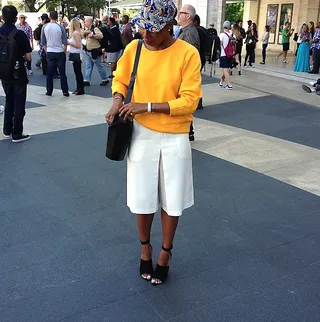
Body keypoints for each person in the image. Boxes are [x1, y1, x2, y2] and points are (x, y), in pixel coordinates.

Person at [105, 0, 201, 286]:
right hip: (141, 134)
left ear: (170, 26)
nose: (147, 34)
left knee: (172, 199)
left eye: (154, 29)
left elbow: (189, 100)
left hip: (174, 136)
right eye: (143, 27)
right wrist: (116, 102)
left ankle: (166, 252)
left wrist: (145, 106)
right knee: (142, 196)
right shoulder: (134, 49)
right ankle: (145, 246)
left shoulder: (187, 53)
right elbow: (121, 80)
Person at [1, 5, 32, 142]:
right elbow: (28, 57)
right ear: (15, 18)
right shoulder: (19, 34)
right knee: (19, 102)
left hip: (3, 72)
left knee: (8, 99)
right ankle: (17, 132)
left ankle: (6, 129)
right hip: (18, 72)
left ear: (2, 17)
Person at [178, 4, 199, 141]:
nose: (178, 15)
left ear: (188, 16)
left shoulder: (189, 32)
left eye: (181, 12)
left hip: (184, 75)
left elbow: (190, 55)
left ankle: (187, 130)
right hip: (180, 73)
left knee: (184, 101)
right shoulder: (185, 30)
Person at [41, 10, 69, 97]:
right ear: (57, 17)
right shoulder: (60, 27)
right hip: (59, 51)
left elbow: (43, 41)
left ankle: (49, 91)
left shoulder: (45, 27)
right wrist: (63, 51)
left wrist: (46, 50)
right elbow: (65, 41)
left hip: (50, 51)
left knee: (49, 72)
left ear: (49, 17)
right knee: (62, 72)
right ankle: (65, 91)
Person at [82, 17, 109, 86]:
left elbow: (101, 36)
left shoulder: (95, 29)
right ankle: (86, 80)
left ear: (89, 22)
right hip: (89, 51)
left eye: (85, 22)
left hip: (94, 51)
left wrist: (93, 35)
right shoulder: (88, 30)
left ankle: (105, 79)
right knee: (88, 66)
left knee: (99, 66)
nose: (84, 23)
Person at [68, 18, 84, 95]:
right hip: (76, 53)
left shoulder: (75, 33)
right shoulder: (77, 33)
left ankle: (80, 88)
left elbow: (78, 45)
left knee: (78, 72)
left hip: (76, 54)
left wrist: (70, 43)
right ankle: (79, 88)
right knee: (77, 72)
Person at [218, 21, 233, 89]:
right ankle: (221, 82)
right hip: (230, 54)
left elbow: (220, 44)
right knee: (225, 69)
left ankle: (229, 85)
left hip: (223, 54)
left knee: (225, 70)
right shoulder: (232, 34)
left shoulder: (222, 35)